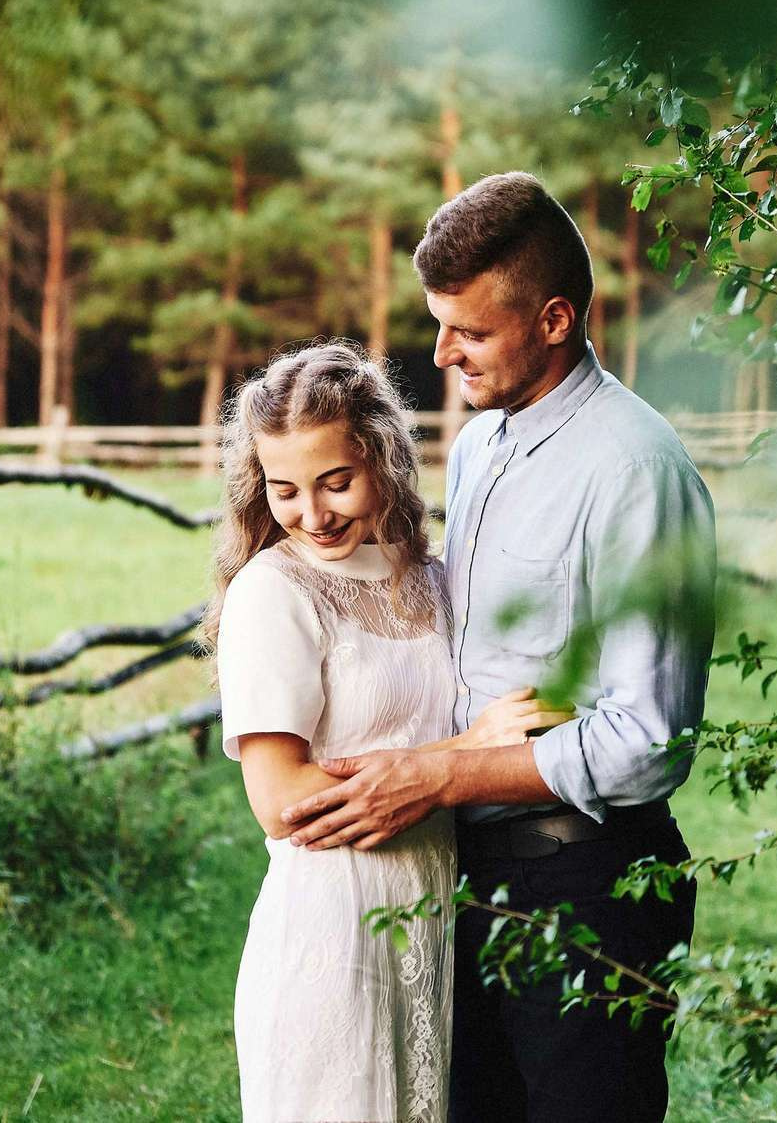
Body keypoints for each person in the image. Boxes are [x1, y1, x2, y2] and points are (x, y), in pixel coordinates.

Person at [281, 173, 718, 1123]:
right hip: (469, 878)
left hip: (589, 879)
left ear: (555, 319)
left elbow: (648, 743)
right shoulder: (481, 446)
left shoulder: (635, 469)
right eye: (439, 324)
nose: (441, 353)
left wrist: (443, 774)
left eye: (468, 332)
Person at [211, 341, 567, 1123]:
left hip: (430, 912)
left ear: (383, 459)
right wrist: (469, 751)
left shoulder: (425, 576)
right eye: (285, 490)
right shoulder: (273, 593)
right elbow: (282, 801)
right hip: (330, 929)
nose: (312, 513)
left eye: (337, 481)